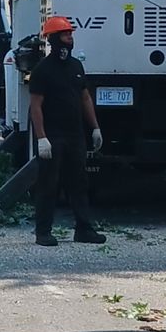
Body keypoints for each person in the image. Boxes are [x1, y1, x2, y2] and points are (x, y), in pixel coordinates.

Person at [25, 15, 106, 247]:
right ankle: (43, 232)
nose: (70, 38)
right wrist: (41, 138)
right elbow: (36, 106)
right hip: (53, 136)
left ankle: (84, 229)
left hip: (75, 135)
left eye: (71, 34)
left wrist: (95, 128)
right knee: (49, 183)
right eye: (65, 34)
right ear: (54, 39)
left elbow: (85, 98)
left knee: (79, 182)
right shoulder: (42, 70)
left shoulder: (76, 66)